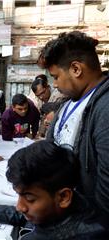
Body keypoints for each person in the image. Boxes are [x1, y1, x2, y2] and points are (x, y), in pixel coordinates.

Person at [0, 140, 108, 239]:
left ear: (64, 197)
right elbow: (31, 217)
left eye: (29, 199)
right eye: (18, 196)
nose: (19, 207)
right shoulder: (62, 208)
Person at [38, 31, 109, 219]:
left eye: (55, 76)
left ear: (76, 69)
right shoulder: (68, 103)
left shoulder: (105, 107)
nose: (54, 84)